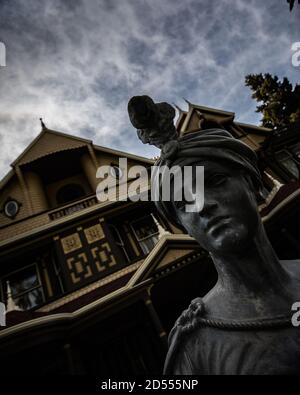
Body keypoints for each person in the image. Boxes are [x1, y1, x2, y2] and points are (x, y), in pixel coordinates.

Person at [127, 96, 300, 375]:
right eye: (182, 203)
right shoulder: (196, 346)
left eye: (214, 181)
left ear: (252, 183)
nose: (202, 204)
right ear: (181, 225)